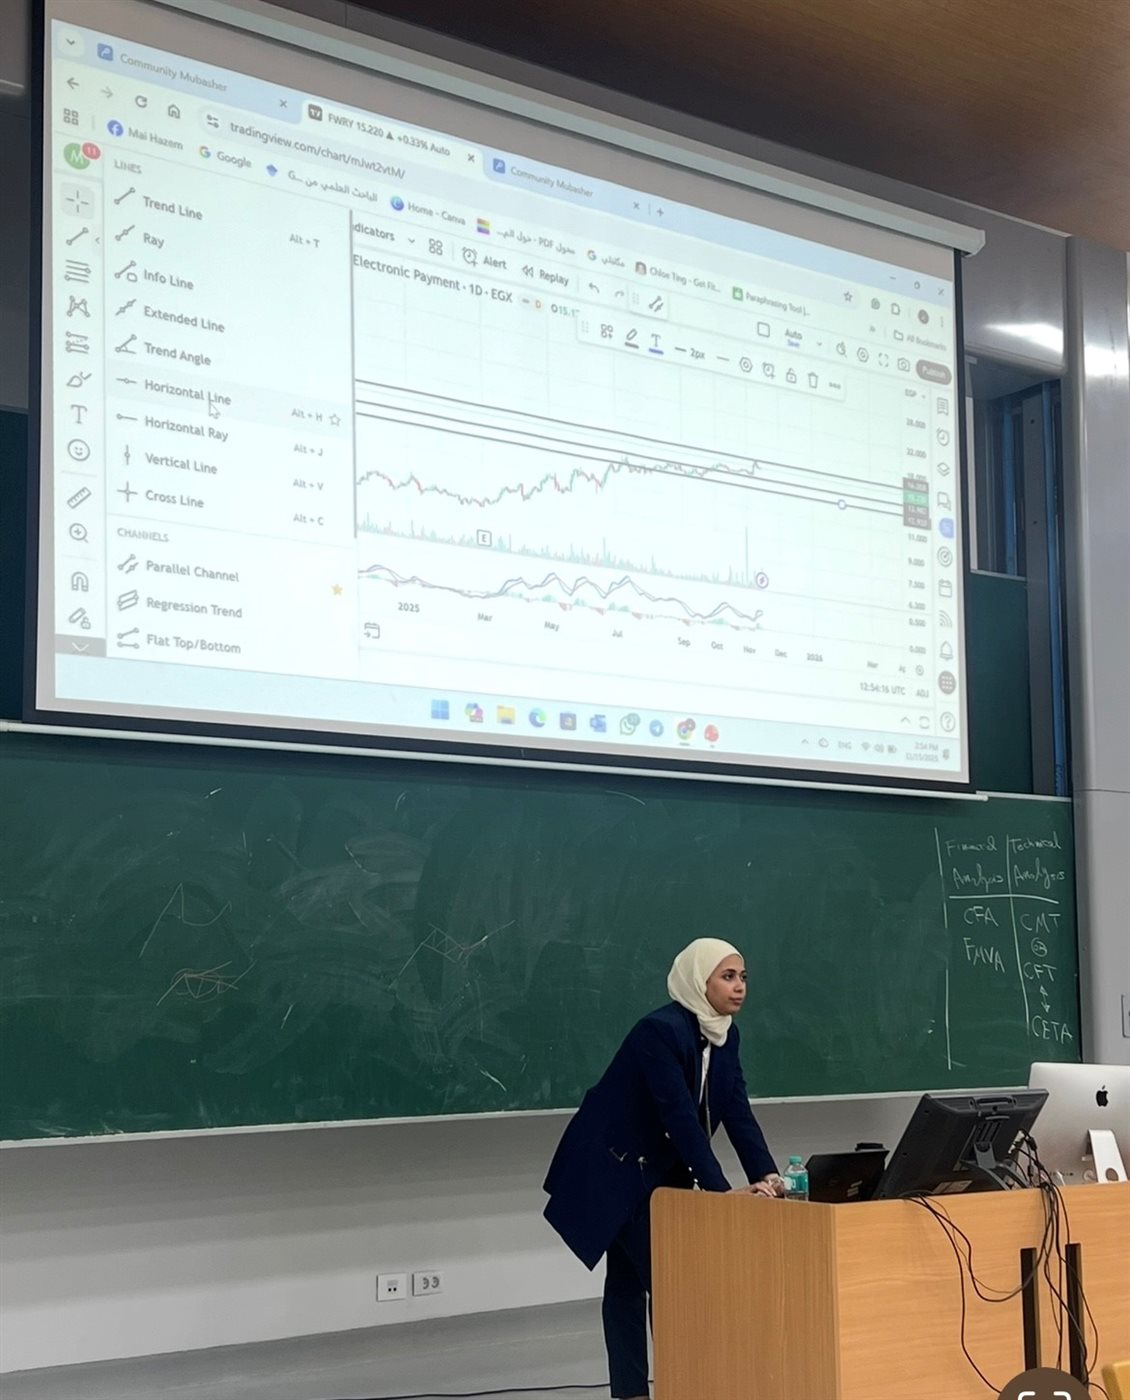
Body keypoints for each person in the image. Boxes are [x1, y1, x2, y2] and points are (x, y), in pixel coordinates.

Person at [543, 938, 783, 1400]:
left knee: (627, 1281)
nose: (739, 987)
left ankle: (632, 1391)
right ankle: (679, 1386)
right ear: (698, 980)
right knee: (670, 1283)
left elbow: (737, 1110)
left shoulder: (725, 1034)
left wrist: (767, 1174)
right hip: (614, 1169)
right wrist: (719, 1191)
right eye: (727, 977)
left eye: (743, 977)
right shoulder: (659, 1031)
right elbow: (680, 1117)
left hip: (657, 1171)